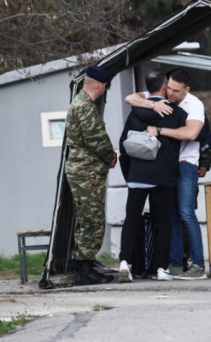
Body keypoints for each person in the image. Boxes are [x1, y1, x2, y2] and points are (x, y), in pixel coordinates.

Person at [125, 68, 207, 280]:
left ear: (186, 90)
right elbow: (129, 98)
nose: (170, 93)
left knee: (186, 213)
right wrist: (153, 104)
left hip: (186, 162)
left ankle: (198, 265)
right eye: (168, 88)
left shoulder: (194, 105)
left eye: (176, 91)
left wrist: (158, 130)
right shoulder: (158, 99)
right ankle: (175, 264)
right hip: (166, 166)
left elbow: (191, 133)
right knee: (169, 216)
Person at [117, 69, 187, 282]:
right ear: (165, 86)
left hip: (138, 174)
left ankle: (125, 262)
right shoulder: (177, 114)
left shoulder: (135, 113)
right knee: (163, 221)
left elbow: (123, 146)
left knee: (132, 218)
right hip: (164, 177)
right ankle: (161, 267)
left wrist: (129, 175)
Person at [65, 64, 118, 286]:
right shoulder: (85, 106)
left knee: (86, 219)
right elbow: (95, 138)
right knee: (92, 220)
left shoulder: (79, 103)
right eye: (105, 86)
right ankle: (84, 272)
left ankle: (85, 267)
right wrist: (110, 155)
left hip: (83, 170)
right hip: (87, 171)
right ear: (100, 85)